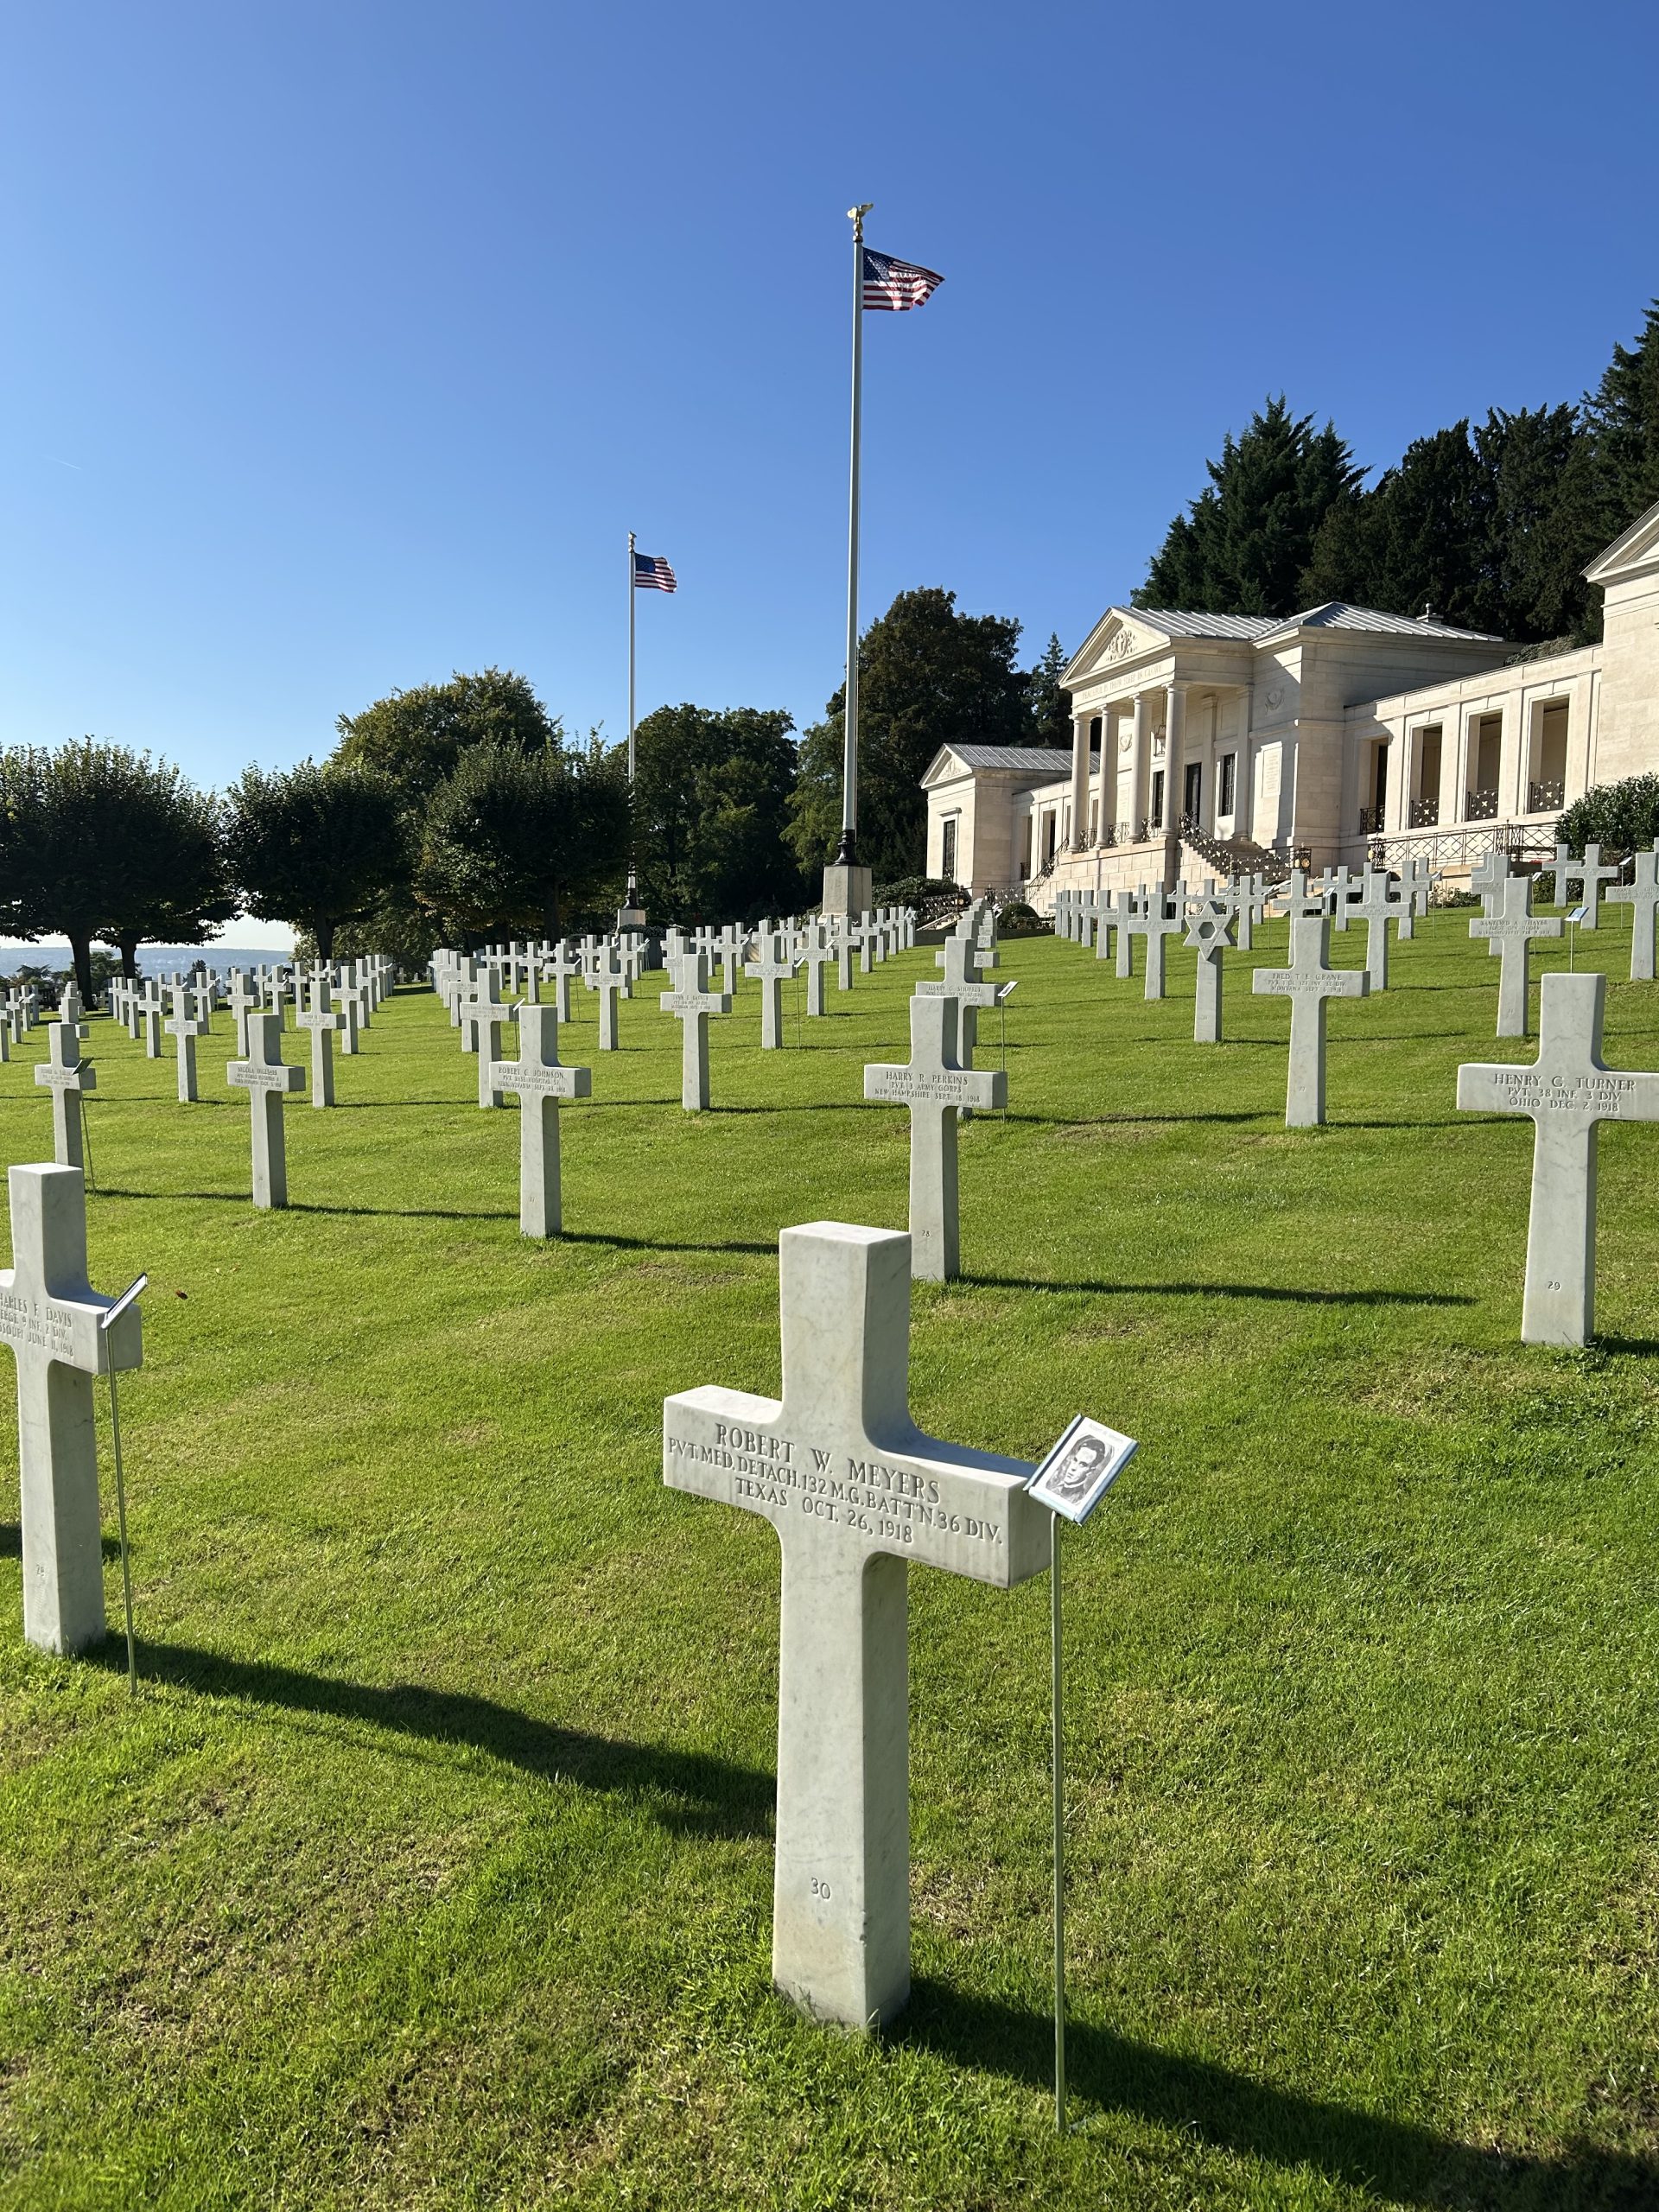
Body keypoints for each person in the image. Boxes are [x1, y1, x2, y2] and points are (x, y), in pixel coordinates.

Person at [1045, 1432, 1107, 1503]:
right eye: (1075, 1460)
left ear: (1090, 1471)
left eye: (1082, 1464)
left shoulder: (1079, 1500)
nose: (1073, 1468)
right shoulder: (1053, 1486)